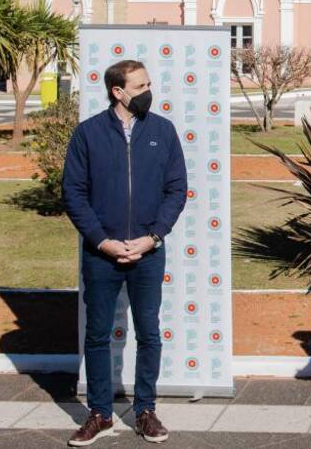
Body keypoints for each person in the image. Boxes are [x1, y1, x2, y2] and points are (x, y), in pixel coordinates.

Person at [62, 59, 187, 446]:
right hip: (102, 255)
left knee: (149, 332)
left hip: (149, 254)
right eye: (140, 85)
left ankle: (145, 410)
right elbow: (74, 193)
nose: (148, 91)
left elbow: (176, 190)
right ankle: (100, 414)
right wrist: (102, 241)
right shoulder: (88, 134)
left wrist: (153, 236)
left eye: (149, 83)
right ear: (118, 92)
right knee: (98, 334)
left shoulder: (163, 132)